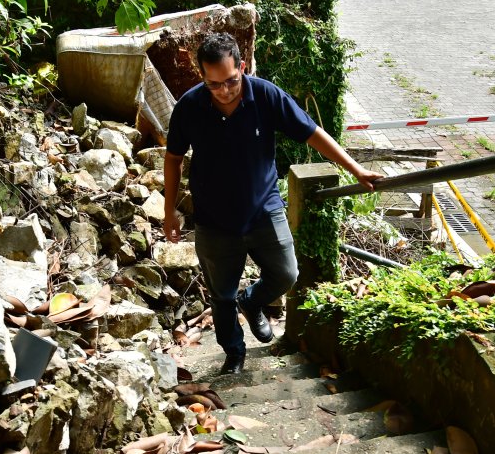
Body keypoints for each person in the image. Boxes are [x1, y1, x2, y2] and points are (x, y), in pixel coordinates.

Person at [163, 32, 381, 375]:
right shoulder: (190, 106)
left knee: (287, 273)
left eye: (231, 81)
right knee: (221, 295)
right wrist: (169, 211)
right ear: (203, 77)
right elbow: (173, 157)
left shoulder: (265, 95)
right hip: (213, 219)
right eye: (214, 84)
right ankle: (234, 354)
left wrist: (354, 169)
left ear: (243, 68)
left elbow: (311, 132)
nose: (224, 91)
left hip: (263, 209)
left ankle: (252, 300)